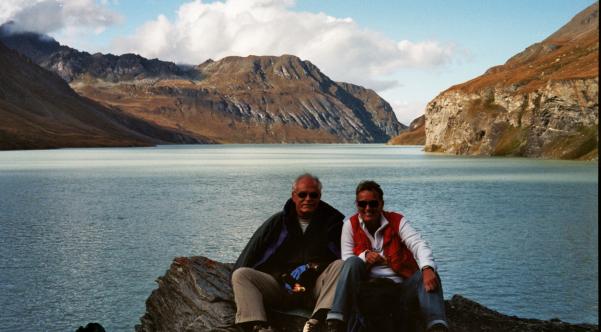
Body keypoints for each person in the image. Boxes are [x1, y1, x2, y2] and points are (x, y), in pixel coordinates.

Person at [326, 180, 449, 332]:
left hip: (399, 288)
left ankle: (436, 325)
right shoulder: (349, 225)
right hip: (366, 290)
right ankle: (337, 319)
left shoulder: (397, 221)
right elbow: (346, 261)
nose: (368, 208)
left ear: (381, 204)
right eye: (362, 204)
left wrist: (427, 267)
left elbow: (418, 244)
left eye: (373, 203)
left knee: (429, 273)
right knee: (352, 262)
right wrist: (364, 257)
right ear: (356, 204)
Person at [231, 173, 345, 332]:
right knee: (241, 275)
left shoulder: (332, 223)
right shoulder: (278, 222)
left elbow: (345, 255)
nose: (308, 199)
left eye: (313, 194)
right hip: (280, 286)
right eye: (302, 194)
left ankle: (317, 321)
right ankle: (258, 326)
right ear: (293, 196)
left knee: (341, 265)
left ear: (320, 196)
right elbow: (251, 253)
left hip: (316, 290)